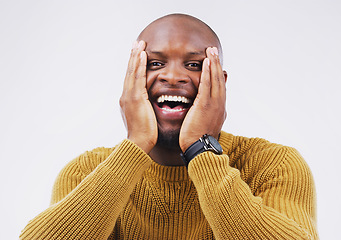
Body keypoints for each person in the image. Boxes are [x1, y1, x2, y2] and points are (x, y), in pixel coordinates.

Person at [20, 13, 318, 239]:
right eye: (155, 64)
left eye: (194, 65)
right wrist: (134, 145)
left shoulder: (273, 164)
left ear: (220, 85)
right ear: (131, 79)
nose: (173, 77)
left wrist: (201, 150)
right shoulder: (85, 171)